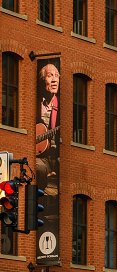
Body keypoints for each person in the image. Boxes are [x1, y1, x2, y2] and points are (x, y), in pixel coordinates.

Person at [35, 62, 60, 202]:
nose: (55, 79)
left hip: (56, 154)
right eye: (50, 76)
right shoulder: (35, 102)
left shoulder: (61, 105)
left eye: (57, 76)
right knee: (39, 168)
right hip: (41, 157)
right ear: (42, 80)